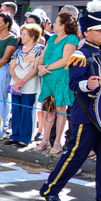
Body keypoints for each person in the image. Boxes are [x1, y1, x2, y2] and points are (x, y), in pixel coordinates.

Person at [40, 0, 101, 201]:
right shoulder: (80, 55)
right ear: (87, 32)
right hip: (86, 115)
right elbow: (74, 84)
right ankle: (50, 189)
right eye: (100, 30)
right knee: (76, 155)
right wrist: (87, 84)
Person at [34, 11, 79, 154]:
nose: (53, 24)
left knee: (60, 110)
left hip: (61, 78)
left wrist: (46, 68)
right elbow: (42, 56)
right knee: (47, 108)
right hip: (48, 78)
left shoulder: (71, 39)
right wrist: (40, 66)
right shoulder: (52, 38)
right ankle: (45, 140)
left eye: (56, 22)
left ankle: (58, 142)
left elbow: (66, 60)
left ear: (63, 25)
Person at [6, 23, 44, 147]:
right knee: (16, 110)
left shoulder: (39, 49)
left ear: (32, 36)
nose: (21, 36)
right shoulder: (19, 49)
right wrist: (17, 80)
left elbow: (35, 68)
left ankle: (25, 138)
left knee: (27, 111)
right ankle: (15, 135)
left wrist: (23, 81)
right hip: (16, 83)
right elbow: (12, 66)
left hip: (30, 84)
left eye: (24, 34)